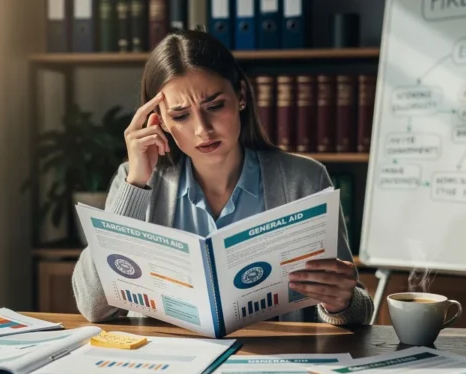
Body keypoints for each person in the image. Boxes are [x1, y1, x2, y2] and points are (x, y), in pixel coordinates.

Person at [72, 30, 374, 326]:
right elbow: (93, 306)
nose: (203, 130)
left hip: (274, 361)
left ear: (240, 96)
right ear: (159, 119)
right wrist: (136, 184)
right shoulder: (134, 180)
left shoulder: (304, 179)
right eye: (180, 116)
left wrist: (341, 303)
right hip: (174, 362)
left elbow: (358, 311)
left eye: (215, 106)